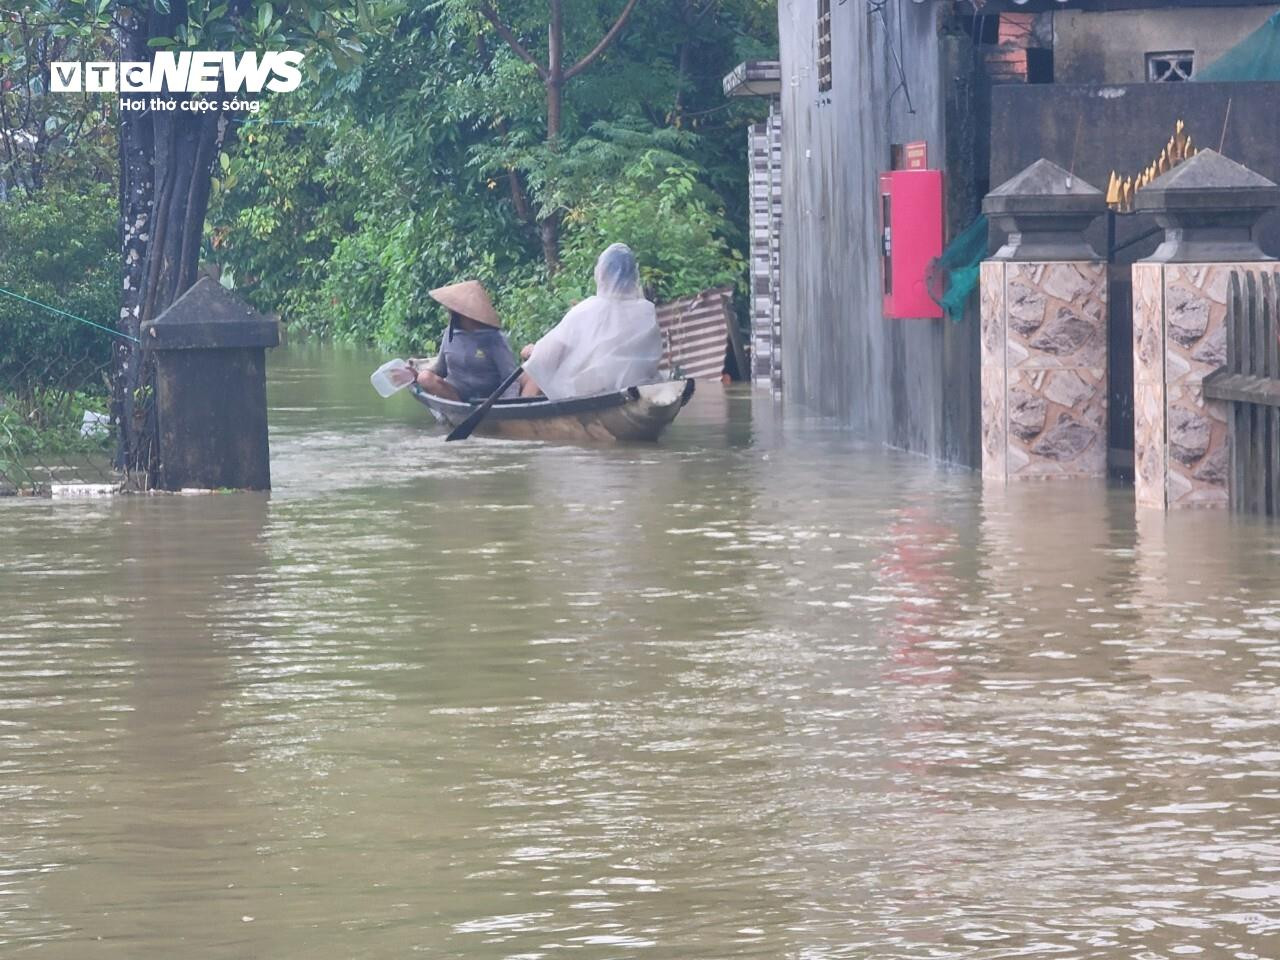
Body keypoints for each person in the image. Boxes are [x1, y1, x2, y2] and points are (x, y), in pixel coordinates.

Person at [520, 243, 663, 400]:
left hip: (592, 395)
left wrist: (533, 351)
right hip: (638, 390)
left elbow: (545, 358)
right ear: (633, 276)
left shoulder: (586, 310)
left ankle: (521, 418)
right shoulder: (646, 312)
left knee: (533, 375)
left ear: (600, 275)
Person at [411, 280, 519, 402]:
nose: (448, 313)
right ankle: (458, 409)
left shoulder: (494, 338)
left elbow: (510, 379)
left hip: (488, 400)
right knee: (424, 378)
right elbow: (440, 369)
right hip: (456, 395)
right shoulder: (450, 333)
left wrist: (508, 406)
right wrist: (416, 375)